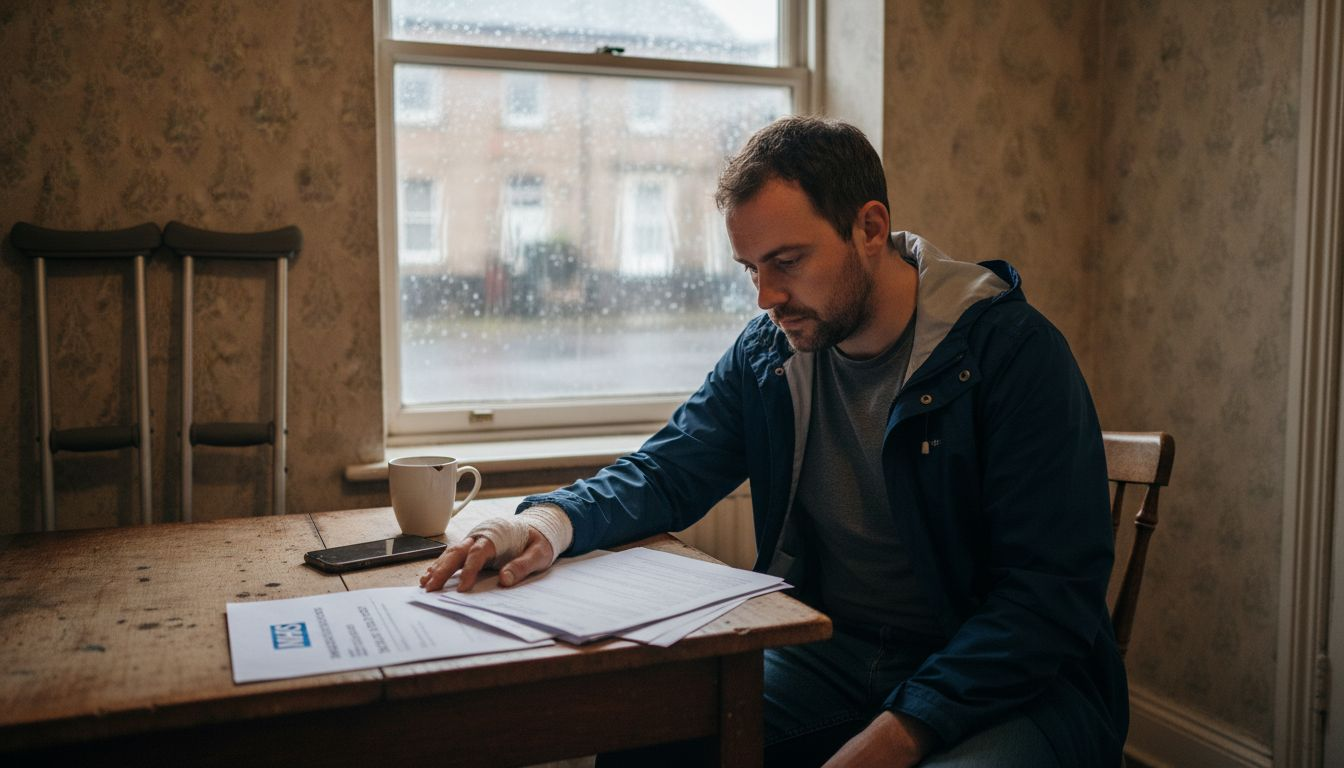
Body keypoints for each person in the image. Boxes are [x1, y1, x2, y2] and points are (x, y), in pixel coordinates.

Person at [420, 116, 1126, 767]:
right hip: (835, 649)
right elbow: (670, 468)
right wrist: (542, 523)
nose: (764, 296)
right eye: (750, 268)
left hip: (1018, 684)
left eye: (785, 261)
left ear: (870, 228)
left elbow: (1046, 599)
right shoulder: (771, 350)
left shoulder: (1010, 353)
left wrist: (899, 733)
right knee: (647, 743)